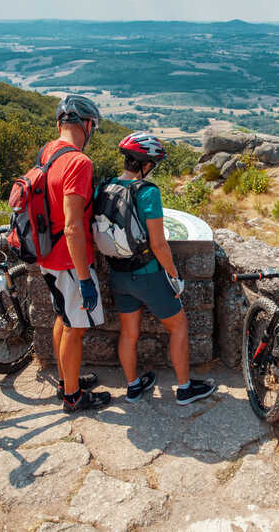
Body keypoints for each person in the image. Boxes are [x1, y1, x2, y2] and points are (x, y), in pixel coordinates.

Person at [108, 132, 216, 405]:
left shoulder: (106, 187)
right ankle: (184, 389)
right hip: (148, 275)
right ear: (146, 164)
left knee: (128, 333)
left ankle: (133, 387)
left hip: (118, 273)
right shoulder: (148, 192)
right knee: (178, 326)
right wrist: (174, 276)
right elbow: (158, 243)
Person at [39, 94, 110, 412]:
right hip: (69, 259)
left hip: (46, 254)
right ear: (88, 125)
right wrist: (85, 278)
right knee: (75, 328)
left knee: (63, 319)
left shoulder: (48, 151)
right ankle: (73, 396)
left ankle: (66, 380)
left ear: (59, 124)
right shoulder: (79, 162)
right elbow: (72, 226)